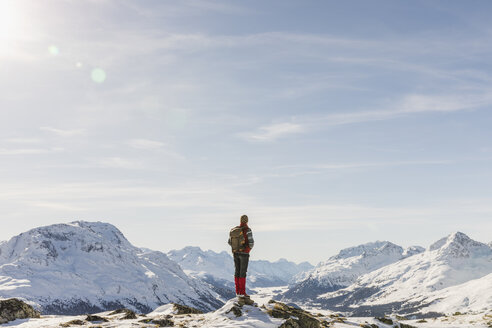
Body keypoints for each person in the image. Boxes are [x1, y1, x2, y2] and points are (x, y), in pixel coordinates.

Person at [228, 214, 254, 299]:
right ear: (247, 221)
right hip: (244, 254)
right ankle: (242, 293)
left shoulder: (234, 230)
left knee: (237, 272)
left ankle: (238, 292)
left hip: (235, 253)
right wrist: (246, 250)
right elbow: (251, 243)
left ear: (240, 220)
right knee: (243, 273)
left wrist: (236, 249)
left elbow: (229, 242)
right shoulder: (247, 230)